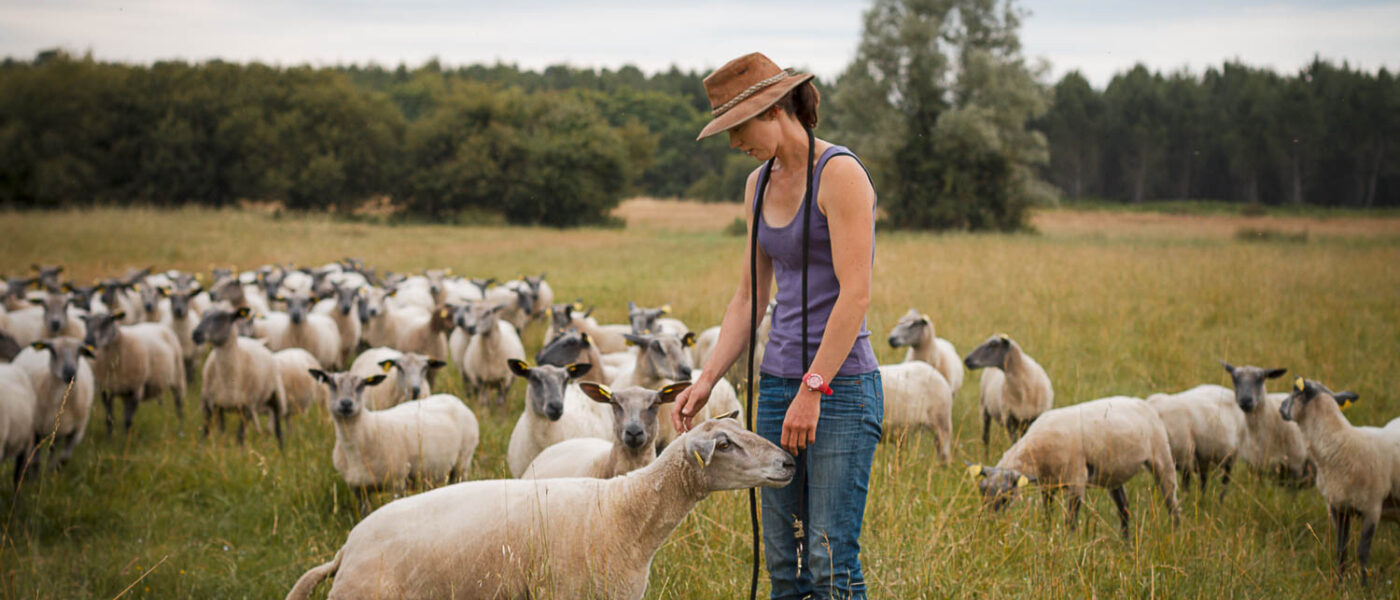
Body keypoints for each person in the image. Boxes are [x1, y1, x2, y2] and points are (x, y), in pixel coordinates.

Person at [673, 52, 883, 600]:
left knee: (827, 556)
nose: (733, 143)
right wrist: (707, 379)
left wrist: (814, 388)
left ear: (771, 111)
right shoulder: (757, 185)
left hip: (838, 389)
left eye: (736, 129)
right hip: (777, 386)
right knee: (782, 560)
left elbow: (855, 294)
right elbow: (750, 295)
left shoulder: (840, 175)